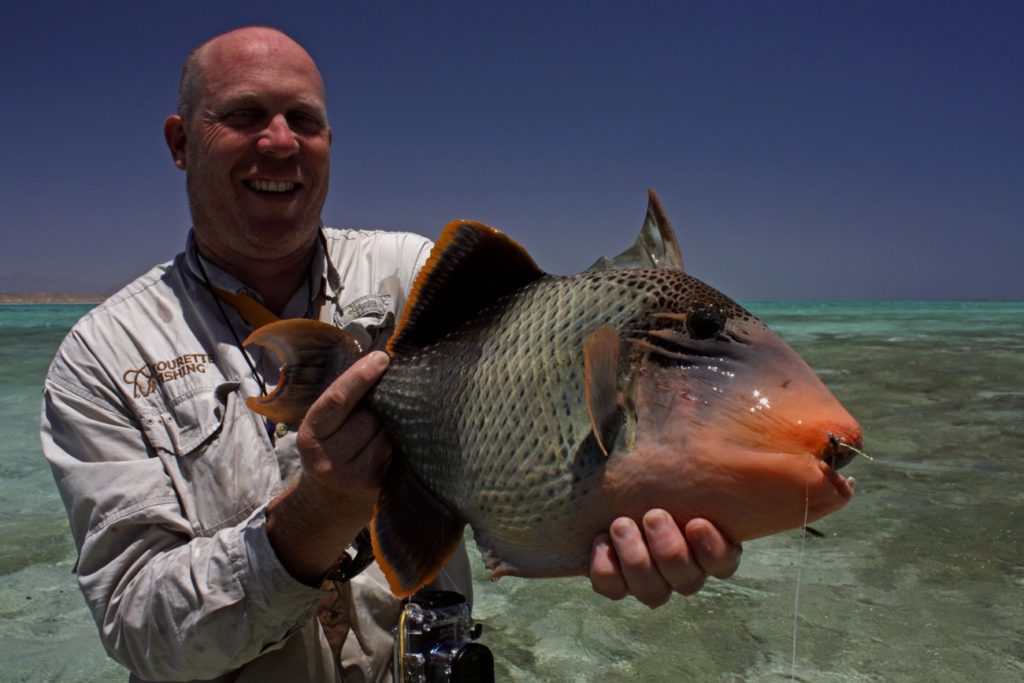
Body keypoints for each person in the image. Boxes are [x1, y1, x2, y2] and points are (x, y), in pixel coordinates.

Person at [40, 26, 742, 682]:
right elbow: (135, 623)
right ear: (181, 140)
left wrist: (640, 491)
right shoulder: (104, 356)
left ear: (329, 140)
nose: (280, 143)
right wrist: (313, 517)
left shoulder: (412, 276)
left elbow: (554, 388)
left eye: (304, 120)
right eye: (245, 116)